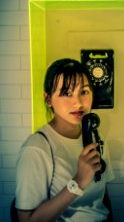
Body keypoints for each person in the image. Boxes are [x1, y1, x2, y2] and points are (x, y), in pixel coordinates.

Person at [15, 58, 114, 222]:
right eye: (66, 93)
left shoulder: (97, 138)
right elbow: (26, 220)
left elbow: (103, 197)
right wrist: (79, 181)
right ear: (48, 99)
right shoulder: (37, 148)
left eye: (84, 92)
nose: (78, 102)